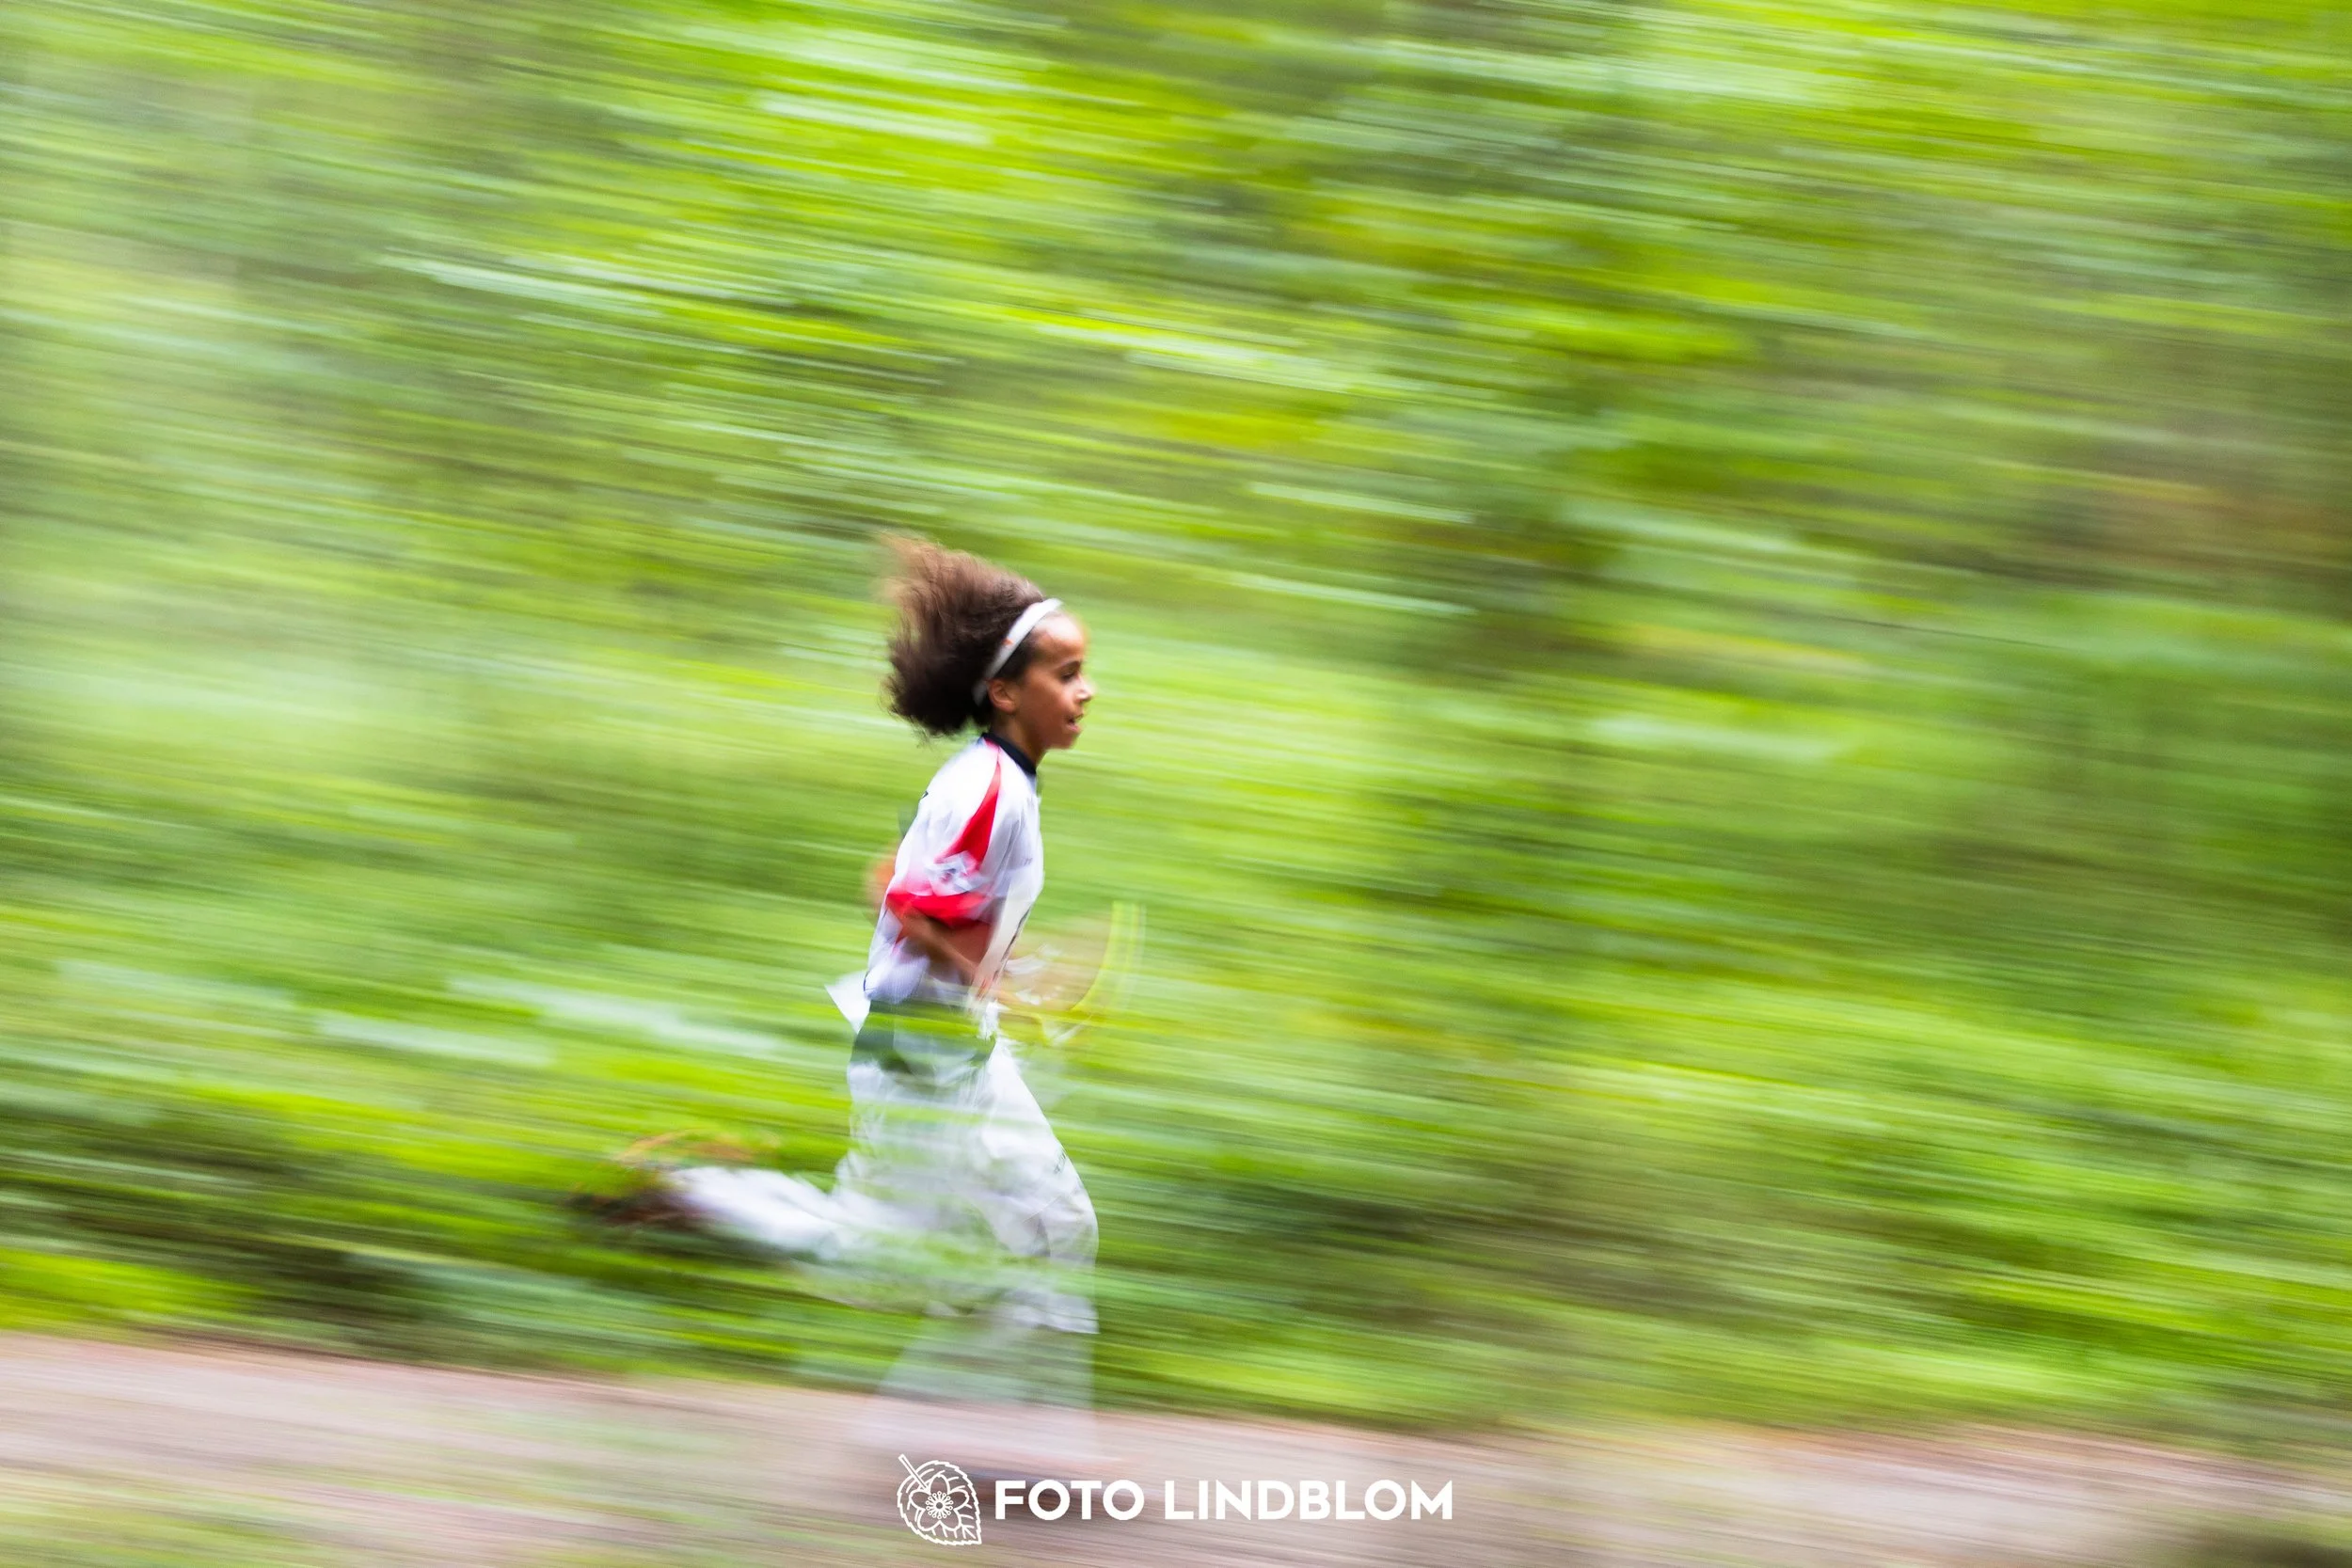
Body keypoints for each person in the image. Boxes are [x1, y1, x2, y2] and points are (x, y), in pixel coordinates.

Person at [631, 538, 1103, 1472]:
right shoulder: (987, 788)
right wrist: (1013, 979)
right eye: (1068, 672)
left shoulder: (995, 783)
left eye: (1086, 673)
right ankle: (701, 1192)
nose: (1086, 691)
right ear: (1005, 691)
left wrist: (1005, 973)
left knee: (1052, 1225)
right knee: (880, 1249)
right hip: (921, 1048)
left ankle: (995, 1446)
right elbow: (916, 903)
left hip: (948, 1038)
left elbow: (893, 879)